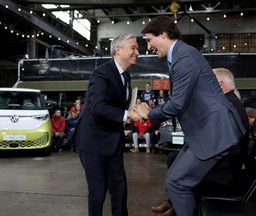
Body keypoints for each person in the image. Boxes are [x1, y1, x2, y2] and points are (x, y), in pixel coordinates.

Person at [133, 16, 246, 216]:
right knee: (175, 175)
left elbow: (177, 103)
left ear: (164, 34)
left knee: (176, 182)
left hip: (213, 132)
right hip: (206, 131)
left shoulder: (183, 56)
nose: (148, 47)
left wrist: (149, 113)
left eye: (149, 40)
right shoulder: (181, 55)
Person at [151, 67, 250, 216]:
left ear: (220, 85)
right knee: (176, 160)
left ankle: (180, 207)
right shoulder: (230, 103)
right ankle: (176, 204)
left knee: (178, 180)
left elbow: (213, 141)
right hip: (225, 163)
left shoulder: (226, 107)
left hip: (223, 171)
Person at [73, 34, 140, 216]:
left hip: (114, 140)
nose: (137, 52)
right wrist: (126, 114)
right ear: (118, 50)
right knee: (97, 193)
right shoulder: (101, 73)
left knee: (120, 191)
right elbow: (97, 107)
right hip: (93, 142)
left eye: (137, 48)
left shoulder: (126, 76)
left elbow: (117, 107)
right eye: (133, 48)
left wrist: (131, 114)